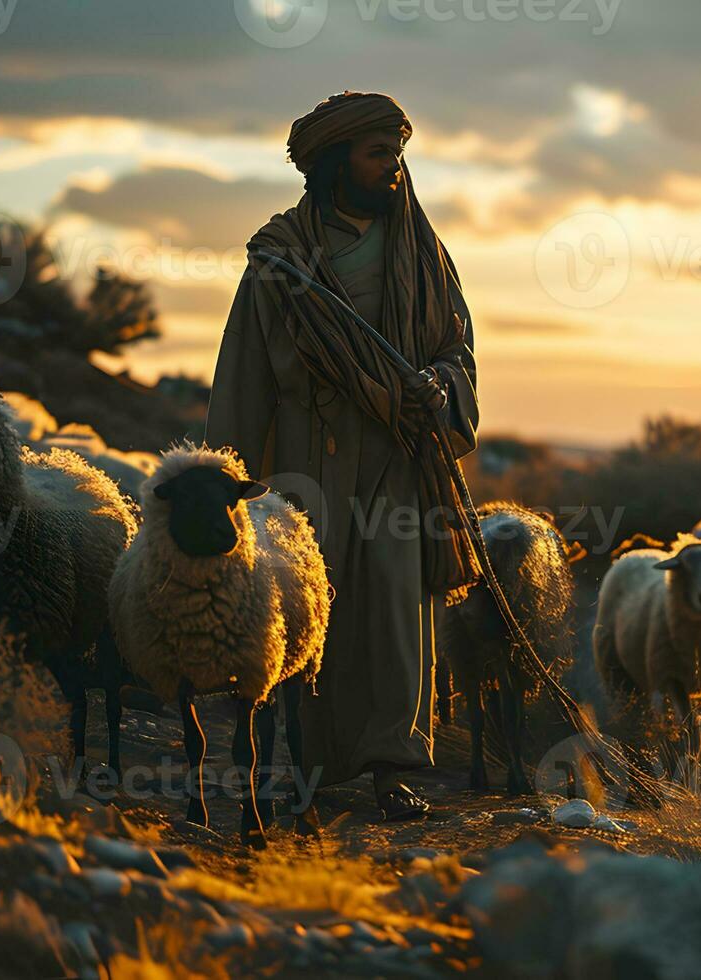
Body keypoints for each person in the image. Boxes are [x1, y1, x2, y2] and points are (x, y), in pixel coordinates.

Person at [207, 91, 482, 822]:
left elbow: (458, 348)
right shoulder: (280, 261)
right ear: (335, 162)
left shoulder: (420, 252)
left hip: (396, 453)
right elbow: (244, 377)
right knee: (308, 611)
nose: (391, 168)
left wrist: (441, 386)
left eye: (397, 154)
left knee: (394, 609)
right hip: (304, 460)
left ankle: (394, 766)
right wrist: (227, 483)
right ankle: (306, 764)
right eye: (376, 154)